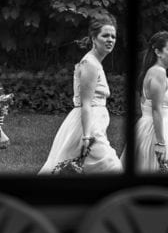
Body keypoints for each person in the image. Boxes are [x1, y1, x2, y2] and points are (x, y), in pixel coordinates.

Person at [39, 14, 123, 174]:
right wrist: (86, 136)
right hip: (88, 127)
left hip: (94, 124)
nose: (110, 39)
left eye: (113, 36)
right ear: (94, 38)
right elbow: (86, 103)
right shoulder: (90, 64)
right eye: (105, 35)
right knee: (113, 168)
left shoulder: (95, 63)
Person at [134, 31, 168, 173]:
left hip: (155, 125)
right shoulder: (158, 73)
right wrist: (161, 143)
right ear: (158, 52)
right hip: (154, 131)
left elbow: (149, 104)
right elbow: (155, 110)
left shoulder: (154, 71)